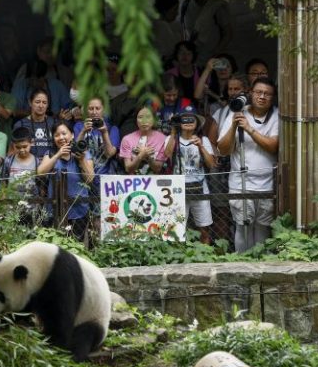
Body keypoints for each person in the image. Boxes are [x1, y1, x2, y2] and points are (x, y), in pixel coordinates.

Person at [217, 76, 279, 252]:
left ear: (272, 97)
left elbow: (273, 146)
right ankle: (242, 263)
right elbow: (223, 149)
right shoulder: (236, 112)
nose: (262, 97)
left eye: (267, 94)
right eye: (258, 92)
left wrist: (250, 129)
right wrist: (234, 126)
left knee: (262, 227)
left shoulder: (276, 115)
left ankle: (261, 266)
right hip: (240, 182)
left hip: (267, 183)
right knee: (242, 226)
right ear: (251, 93)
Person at [163, 107, 215, 244]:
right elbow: (167, 155)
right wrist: (174, 132)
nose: (187, 121)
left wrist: (201, 147)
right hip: (177, 190)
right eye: (184, 119)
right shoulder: (171, 138)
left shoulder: (204, 140)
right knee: (176, 228)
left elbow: (211, 164)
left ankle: (204, 258)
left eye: (191, 119)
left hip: (200, 189)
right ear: (179, 122)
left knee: (204, 229)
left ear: (197, 123)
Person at [37, 121, 94, 240]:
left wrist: (81, 160)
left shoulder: (83, 153)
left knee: (77, 244)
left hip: (79, 209)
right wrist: (58, 155)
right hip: (55, 209)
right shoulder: (50, 153)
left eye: (64, 133)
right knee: (56, 244)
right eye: (57, 135)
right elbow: (40, 173)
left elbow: (90, 179)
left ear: (72, 135)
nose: (61, 137)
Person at [180, 0, 233, 65]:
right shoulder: (186, 5)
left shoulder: (216, 7)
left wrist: (215, 53)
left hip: (210, 60)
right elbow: (183, 31)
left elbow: (228, 34)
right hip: (190, 60)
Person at [0, 126, 40, 224]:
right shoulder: (9, 161)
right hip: (12, 205)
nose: (22, 150)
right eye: (18, 147)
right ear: (13, 145)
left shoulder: (36, 161)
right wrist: (3, 200)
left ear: (31, 143)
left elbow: (40, 183)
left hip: (31, 206)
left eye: (25, 146)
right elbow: (3, 182)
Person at [119, 107, 168, 175]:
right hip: (133, 183)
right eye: (140, 117)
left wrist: (148, 157)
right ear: (136, 120)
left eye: (148, 117)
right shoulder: (127, 139)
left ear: (154, 119)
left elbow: (158, 169)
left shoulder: (163, 139)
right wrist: (140, 156)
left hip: (156, 183)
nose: (144, 121)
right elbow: (128, 168)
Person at [13, 88, 56, 159]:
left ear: (48, 105)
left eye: (44, 103)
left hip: (52, 164)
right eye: (37, 102)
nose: (41, 106)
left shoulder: (54, 123)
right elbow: (13, 151)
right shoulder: (20, 124)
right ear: (30, 102)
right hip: (28, 165)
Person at [152, 0, 181, 66]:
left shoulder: (154, 22)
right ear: (165, 10)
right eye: (175, 9)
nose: (177, 13)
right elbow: (174, 50)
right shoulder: (162, 26)